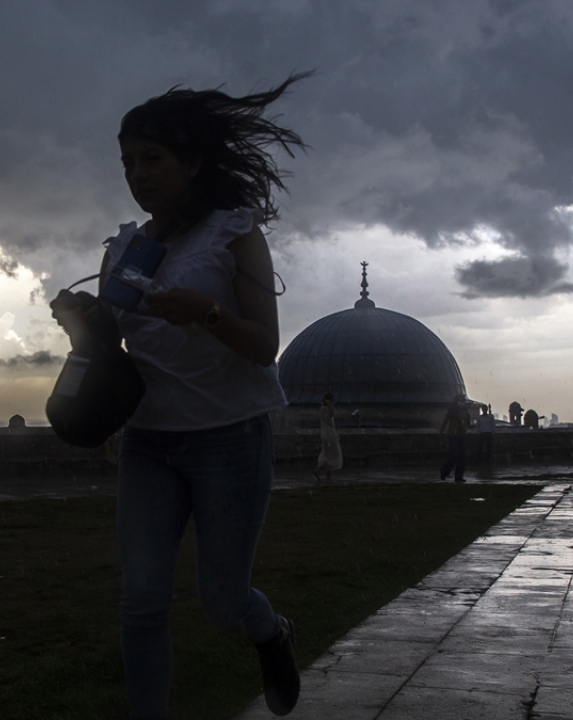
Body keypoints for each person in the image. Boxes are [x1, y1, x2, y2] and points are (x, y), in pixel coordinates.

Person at [54, 74, 308, 719]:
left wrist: (205, 314)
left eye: (152, 159)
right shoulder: (124, 248)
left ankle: (270, 632)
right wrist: (84, 324)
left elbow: (264, 346)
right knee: (141, 599)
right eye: (128, 162)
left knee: (222, 600)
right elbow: (119, 344)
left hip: (230, 435)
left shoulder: (235, 233)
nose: (137, 175)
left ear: (193, 162)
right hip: (148, 439)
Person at [439, 394, 471, 483]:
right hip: (453, 434)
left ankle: (459, 477)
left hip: (462, 435)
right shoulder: (452, 410)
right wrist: (441, 432)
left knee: (463, 457)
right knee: (454, 454)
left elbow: (468, 423)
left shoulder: (466, 411)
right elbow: (445, 421)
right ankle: (444, 472)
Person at [313, 393, 342, 485]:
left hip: (324, 434)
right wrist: (329, 404)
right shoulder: (327, 409)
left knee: (327, 454)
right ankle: (328, 477)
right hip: (330, 435)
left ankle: (318, 470)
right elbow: (332, 414)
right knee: (333, 455)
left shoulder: (321, 409)